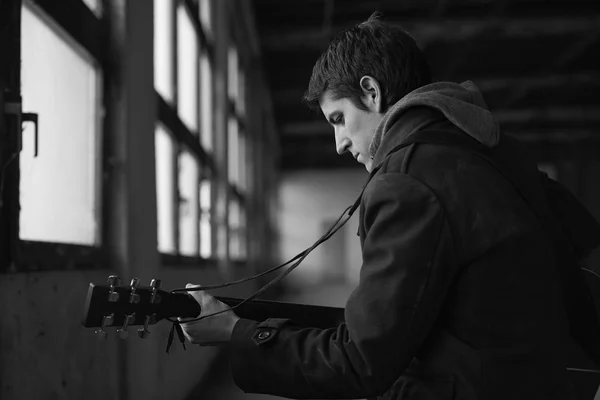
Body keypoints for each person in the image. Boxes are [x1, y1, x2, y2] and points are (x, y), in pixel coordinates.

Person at [180, 14, 582, 399]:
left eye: (339, 118)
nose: (339, 143)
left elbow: (361, 362)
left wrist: (233, 333)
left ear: (371, 92)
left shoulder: (407, 182)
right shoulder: (498, 153)